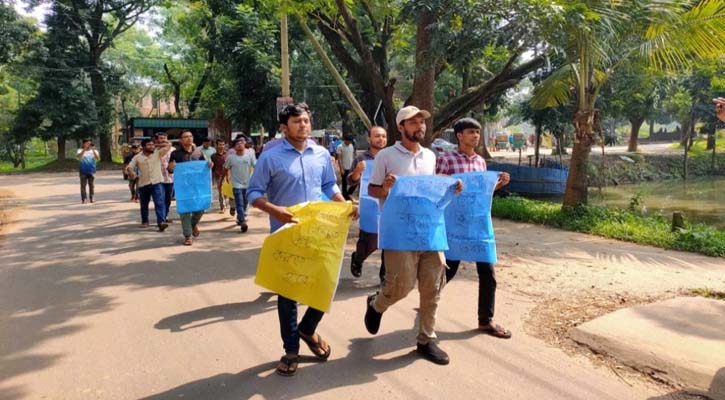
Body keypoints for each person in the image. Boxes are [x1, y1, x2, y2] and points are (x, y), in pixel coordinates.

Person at [247, 103, 357, 377]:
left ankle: (308, 329)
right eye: (296, 122)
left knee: (325, 283)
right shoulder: (269, 158)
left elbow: (328, 185)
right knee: (288, 295)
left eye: (306, 121)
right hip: (288, 236)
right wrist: (275, 210)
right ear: (284, 128)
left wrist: (343, 204)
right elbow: (253, 193)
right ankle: (291, 349)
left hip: (320, 232)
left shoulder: (321, 154)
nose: (303, 126)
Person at [364, 106, 463, 366]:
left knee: (433, 287)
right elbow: (373, 191)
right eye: (413, 122)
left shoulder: (430, 156)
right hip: (398, 233)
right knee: (401, 286)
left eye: (422, 122)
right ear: (401, 127)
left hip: (429, 231)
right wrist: (384, 187)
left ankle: (426, 340)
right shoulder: (386, 155)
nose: (420, 126)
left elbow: (429, 191)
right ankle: (377, 304)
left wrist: (451, 188)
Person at [436, 117, 512, 339]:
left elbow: (482, 193)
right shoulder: (447, 160)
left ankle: (485, 320)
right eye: (471, 132)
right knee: (449, 268)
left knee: (488, 272)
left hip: (478, 224)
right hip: (455, 224)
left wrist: (497, 185)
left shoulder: (480, 162)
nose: (476, 136)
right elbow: (438, 187)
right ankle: (429, 299)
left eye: (477, 132)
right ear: (459, 135)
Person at [347, 126, 388, 279]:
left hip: (388, 205)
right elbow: (350, 181)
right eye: (377, 136)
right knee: (370, 241)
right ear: (369, 139)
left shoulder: (390, 157)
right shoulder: (361, 159)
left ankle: (385, 276)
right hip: (369, 206)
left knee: (388, 240)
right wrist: (357, 171)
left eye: (384, 136)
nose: (381, 139)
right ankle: (358, 258)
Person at [168, 130, 212, 246]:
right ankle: (187, 236)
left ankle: (193, 224)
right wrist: (171, 167)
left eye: (190, 136)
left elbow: (205, 166)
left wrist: (209, 165)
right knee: (185, 211)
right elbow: (170, 170)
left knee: (200, 208)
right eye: (186, 137)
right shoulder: (175, 154)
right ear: (181, 140)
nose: (189, 138)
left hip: (197, 186)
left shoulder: (198, 153)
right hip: (183, 187)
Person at [126, 138, 171, 231]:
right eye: (149, 145)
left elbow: (168, 145)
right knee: (144, 204)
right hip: (143, 184)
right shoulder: (137, 157)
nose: (151, 146)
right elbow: (129, 167)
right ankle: (145, 221)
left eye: (152, 145)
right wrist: (133, 175)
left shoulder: (157, 153)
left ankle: (161, 222)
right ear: (143, 147)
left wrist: (158, 145)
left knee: (159, 202)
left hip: (157, 183)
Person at [224, 137, 256, 233]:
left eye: (241, 143)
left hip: (247, 183)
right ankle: (242, 222)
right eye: (237, 144)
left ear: (245, 145)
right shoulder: (231, 158)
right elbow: (225, 168)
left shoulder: (249, 156)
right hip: (236, 184)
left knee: (245, 203)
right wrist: (224, 178)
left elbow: (256, 167)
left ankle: (240, 217)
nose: (239, 145)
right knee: (239, 203)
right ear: (234, 148)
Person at [154, 132, 175, 223]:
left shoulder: (173, 150)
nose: (163, 140)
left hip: (170, 178)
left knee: (167, 200)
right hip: (158, 179)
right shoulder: (153, 150)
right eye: (161, 138)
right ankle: (161, 220)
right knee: (159, 200)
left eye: (165, 138)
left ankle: (165, 216)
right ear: (156, 140)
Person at [76, 139, 100, 204]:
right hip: (83, 171)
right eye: (87, 143)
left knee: (91, 185)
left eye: (89, 144)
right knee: (83, 186)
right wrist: (84, 149)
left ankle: (92, 198)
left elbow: (98, 158)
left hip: (91, 171)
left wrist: (93, 150)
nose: (88, 145)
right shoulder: (80, 150)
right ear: (83, 144)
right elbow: (79, 157)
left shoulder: (94, 151)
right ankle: (84, 199)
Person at [210, 139, 230, 213]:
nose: (221, 146)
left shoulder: (227, 155)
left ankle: (226, 203)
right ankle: (223, 206)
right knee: (220, 191)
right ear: (217, 145)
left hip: (227, 175)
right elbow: (212, 167)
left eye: (223, 144)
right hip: (218, 175)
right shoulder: (213, 156)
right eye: (220, 144)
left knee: (227, 192)